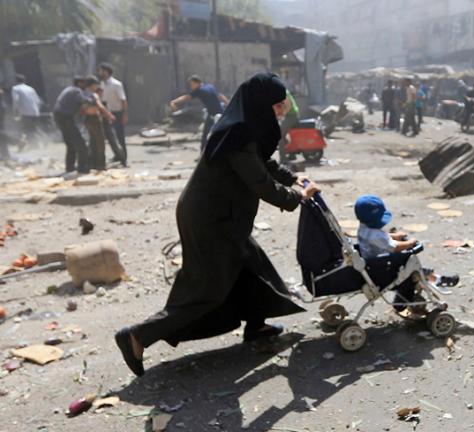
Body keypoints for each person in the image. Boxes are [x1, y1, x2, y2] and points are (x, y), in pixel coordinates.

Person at [115, 73, 320, 377]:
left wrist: (293, 178)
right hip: (210, 219)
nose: (281, 111)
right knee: (208, 288)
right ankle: (137, 336)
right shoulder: (238, 133)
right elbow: (259, 181)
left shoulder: (243, 127)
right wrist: (296, 197)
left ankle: (257, 324)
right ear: (261, 103)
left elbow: (262, 162)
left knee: (251, 265)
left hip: (222, 216)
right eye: (277, 106)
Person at [354, 195, 459, 310]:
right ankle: (405, 300)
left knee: (411, 268)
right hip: (382, 268)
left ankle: (438, 279)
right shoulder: (375, 235)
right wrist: (410, 242)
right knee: (409, 271)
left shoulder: (364, 228)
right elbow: (394, 247)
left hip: (374, 264)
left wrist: (396, 236)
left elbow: (383, 238)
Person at [170, 75, 229, 151]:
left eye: (192, 84)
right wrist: (228, 103)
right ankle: (204, 152)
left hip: (215, 116)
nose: (191, 87)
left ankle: (207, 153)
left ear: (197, 83)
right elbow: (220, 96)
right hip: (219, 113)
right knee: (207, 134)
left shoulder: (199, 90)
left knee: (215, 135)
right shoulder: (210, 86)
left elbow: (186, 97)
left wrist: (174, 102)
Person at [53, 77, 93, 173]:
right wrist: (93, 99)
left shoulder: (69, 89)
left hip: (59, 116)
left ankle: (70, 167)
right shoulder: (76, 90)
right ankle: (82, 168)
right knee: (81, 144)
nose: (85, 86)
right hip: (65, 117)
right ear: (79, 83)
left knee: (70, 144)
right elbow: (84, 101)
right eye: (84, 83)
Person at [98, 63, 128, 166]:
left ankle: (124, 159)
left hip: (117, 113)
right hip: (106, 113)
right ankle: (117, 155)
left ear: (107, 72)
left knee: (120, 136)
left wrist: (124, 114)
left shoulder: (116, 84)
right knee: (109, 136)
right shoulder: (100, 84)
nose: (100, 73)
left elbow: (123, 100)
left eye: (101, 71)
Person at [82, 77, 113, 171]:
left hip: (87, 120)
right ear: (92, 85)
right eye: (96, 84)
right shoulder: (93, 95)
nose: (97, 86)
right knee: (100, 143)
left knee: (93, 142)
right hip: (94, 119)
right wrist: (109, 115)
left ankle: (92, 163)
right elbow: (100, 106)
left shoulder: (82, 93)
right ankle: (101, 165)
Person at [11, 74, 43, 147]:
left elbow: (15, 100)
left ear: (15, 81)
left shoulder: (15, 88)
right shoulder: (30, 88)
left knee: (26, 130)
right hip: (35, 112)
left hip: (25, 112)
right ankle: (36, 144)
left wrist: (15, 112)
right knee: (33, 129)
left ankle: (30, 145)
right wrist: (37, 110)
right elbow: (38, 100)